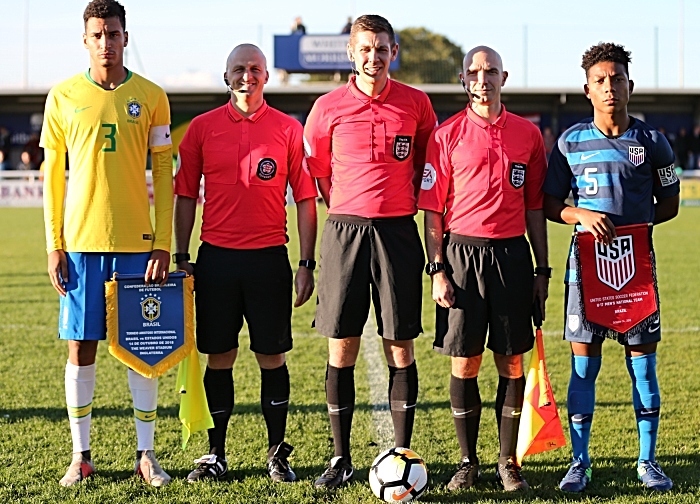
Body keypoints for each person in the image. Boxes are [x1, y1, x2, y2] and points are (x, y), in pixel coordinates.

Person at [41, 0, 173, 487]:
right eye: (97, 35)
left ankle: (147, 455)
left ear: (125, 36)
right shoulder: (62, 96)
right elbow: (53, 175)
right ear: (85, 40)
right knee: (81, 349)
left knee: (145, 347)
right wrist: (54, 244)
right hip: (78, 245)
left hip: (138, 247)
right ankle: (81, 456)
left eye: (113, 34)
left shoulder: (152, 96)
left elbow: (163, 172)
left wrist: (163, 242)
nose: (106, 42)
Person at [174, 43, 318, 484]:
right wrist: (182, 256)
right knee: (220, 357)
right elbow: (184, 195)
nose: (247, 76)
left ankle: (277, 453)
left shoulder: (289, 129)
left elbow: (307, 199)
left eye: (255, 69)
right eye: (239, 69)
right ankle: (215, 454)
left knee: (270, 357)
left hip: (270, 259)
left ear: (267, 75)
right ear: (226, 76)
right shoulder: (200, 128)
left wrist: (306, 262)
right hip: (215, 259)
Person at [304, 14, 437, 489]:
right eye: (365, 48)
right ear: (351, 53)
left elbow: (427, 167)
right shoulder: (327, 107)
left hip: (398, 233)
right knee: (342, 343)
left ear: (393, 52)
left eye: (381, 48)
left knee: (399, 343)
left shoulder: (417, 104)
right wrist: (347, 207)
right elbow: (320, 171)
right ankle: (340, 458)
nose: (373, 56)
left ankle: (403, 452)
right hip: (344, 232)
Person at [543, 42, 680, 493]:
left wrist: (632, 231)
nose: (609, 87)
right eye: (600, 81)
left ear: (629, 85)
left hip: (635, 269)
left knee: (643, 364)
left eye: (616, 79)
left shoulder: (653, 142)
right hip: (585, 271)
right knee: (585, 365)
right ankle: (579, 463)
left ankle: (648, 461)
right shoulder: (569, 143)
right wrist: (580, 216)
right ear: (587, 89)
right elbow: (548, 204)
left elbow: (671, 203)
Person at [419, 45, 549, 492]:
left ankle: (507, 462)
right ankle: (466, 461)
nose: (482, 78)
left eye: (490, 71)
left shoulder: (528, 136)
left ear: (503, 77)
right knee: (465, 361)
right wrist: (437, 269)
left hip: (512, 257)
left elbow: (534, 207)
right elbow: (432, 212)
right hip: (461, 257)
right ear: (463, 79)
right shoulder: (445, 136)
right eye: (473, 71)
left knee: (512, 361)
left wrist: (542, 270)